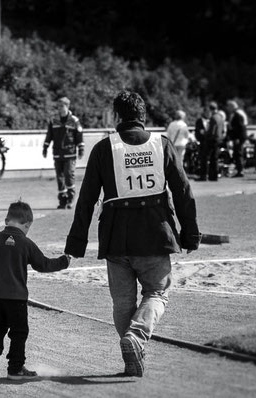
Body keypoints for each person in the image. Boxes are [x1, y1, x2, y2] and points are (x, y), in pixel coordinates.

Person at [65, 90, 201, 378]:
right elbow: (183, 192)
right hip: (155, 234)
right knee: (157, 292)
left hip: (116, 239)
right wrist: (191, 234)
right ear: (143, 116)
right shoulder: (161, 144)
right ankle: (137, 338)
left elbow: (86, 199)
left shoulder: (103, 149)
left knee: (123, 304)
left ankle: (132, 356)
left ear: (116, 116)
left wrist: (76, 243)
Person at [0, 201, 72, 379]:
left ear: (7, 220)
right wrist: (64, 261)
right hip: (16, 297)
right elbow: (43, 264)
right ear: (27, 224)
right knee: (19, 332)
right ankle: (15, 368)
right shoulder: (26, 243)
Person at [43, 97, 85, 209]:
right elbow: (49, 135)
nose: (60, 109)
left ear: (67, 106)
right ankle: (62, 200)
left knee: (68, 175)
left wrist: (81, 148)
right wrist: (45, 147)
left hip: (70, 153)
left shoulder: (74, 120)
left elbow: (79, 136)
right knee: (59, 177)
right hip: (57, 153)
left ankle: (70, 199)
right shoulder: (54, 120)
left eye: (62, 106)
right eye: (59, 106)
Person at [193, 102, 222, 181]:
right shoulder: (219, 117)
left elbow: (211, 131)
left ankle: (205, 176)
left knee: (206, 158)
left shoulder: (213, 118)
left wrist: (205, 133)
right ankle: (212, 176)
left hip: (210, 140)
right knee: (212, 158)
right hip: (213, 140)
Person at [226, 100, 249, 178]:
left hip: (238, 137)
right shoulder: (239, 113)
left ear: (232, 107)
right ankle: (240, 169)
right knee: (238, 153)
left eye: (229, 107)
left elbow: (240, 127)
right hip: (240, 137)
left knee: (238, 153)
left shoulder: (237, 114)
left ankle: (240, 170)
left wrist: (237, 138)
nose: (228, 108)